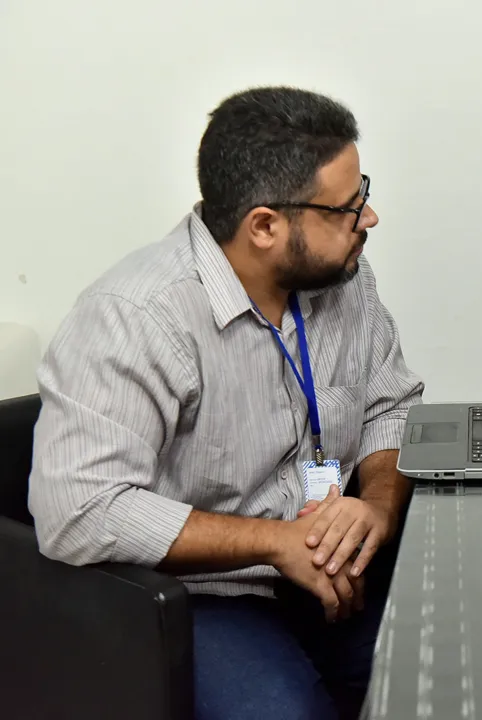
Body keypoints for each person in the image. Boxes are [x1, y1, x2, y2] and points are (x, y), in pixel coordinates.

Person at [28, 86, 424, 720]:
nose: (368, 219)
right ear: (264, 226)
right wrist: (276, 543)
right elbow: (78, 510)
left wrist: (374, 507)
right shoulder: (135, 317)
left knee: (449, 674)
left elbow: (392, 404)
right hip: (205, 593)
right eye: (347, 207)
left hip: (333, 565)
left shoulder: (344, 279)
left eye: (364, 194)